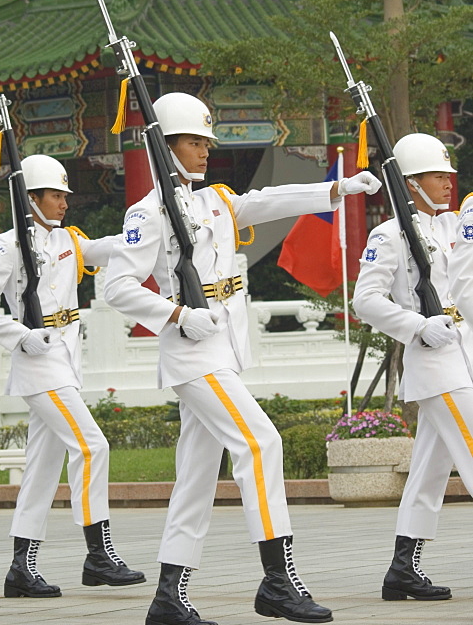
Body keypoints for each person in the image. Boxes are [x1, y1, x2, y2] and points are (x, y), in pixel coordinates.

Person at [104, 92, 381, 625]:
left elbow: (268, 200)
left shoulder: (215, 201)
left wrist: (336, 188)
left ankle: (168, 597)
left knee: (196, 478)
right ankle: (278, 581)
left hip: (223, 351)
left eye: (207, 141)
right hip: (192, 355)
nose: (206, 150)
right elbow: (117, 287)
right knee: (261, 442)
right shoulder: (147, 213)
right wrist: (178, 314)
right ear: (165, 147)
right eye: (193, 141)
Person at [0, 153, 144, 600]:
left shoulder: (68, 240)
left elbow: (108, 247)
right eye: (56, 195)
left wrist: (148, 231)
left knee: (41, 471)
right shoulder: (7, 245)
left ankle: (21, 569)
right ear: (32, 198)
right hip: (39, 364)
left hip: (64, 363)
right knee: (92, 445)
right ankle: (97, 553)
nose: (64, 203)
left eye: (65, 195)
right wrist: (21, 336)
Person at [353, 132, 473, 602]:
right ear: (411, 183)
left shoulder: (451, 227)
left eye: (448, 173)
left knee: (428, 470)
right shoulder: (388, 234)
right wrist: (417, 326)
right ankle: (404, 568)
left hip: (464, 352)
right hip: (436, 363)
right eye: (437, 175)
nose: (448, 182)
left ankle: (403, 569)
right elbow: (366, 300)